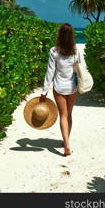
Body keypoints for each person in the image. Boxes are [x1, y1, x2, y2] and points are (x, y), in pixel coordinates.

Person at [40, 23, 87, 156]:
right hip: (72, 87)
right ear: (72, 35)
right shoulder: (76, 50)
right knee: (69, 115)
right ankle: (66, 141)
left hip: (59, 87)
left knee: (63, 115)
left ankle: (66, 143)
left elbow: (50, 71)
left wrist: (44, 91)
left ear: (59, 35)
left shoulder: (54, 51)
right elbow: (81, 68)